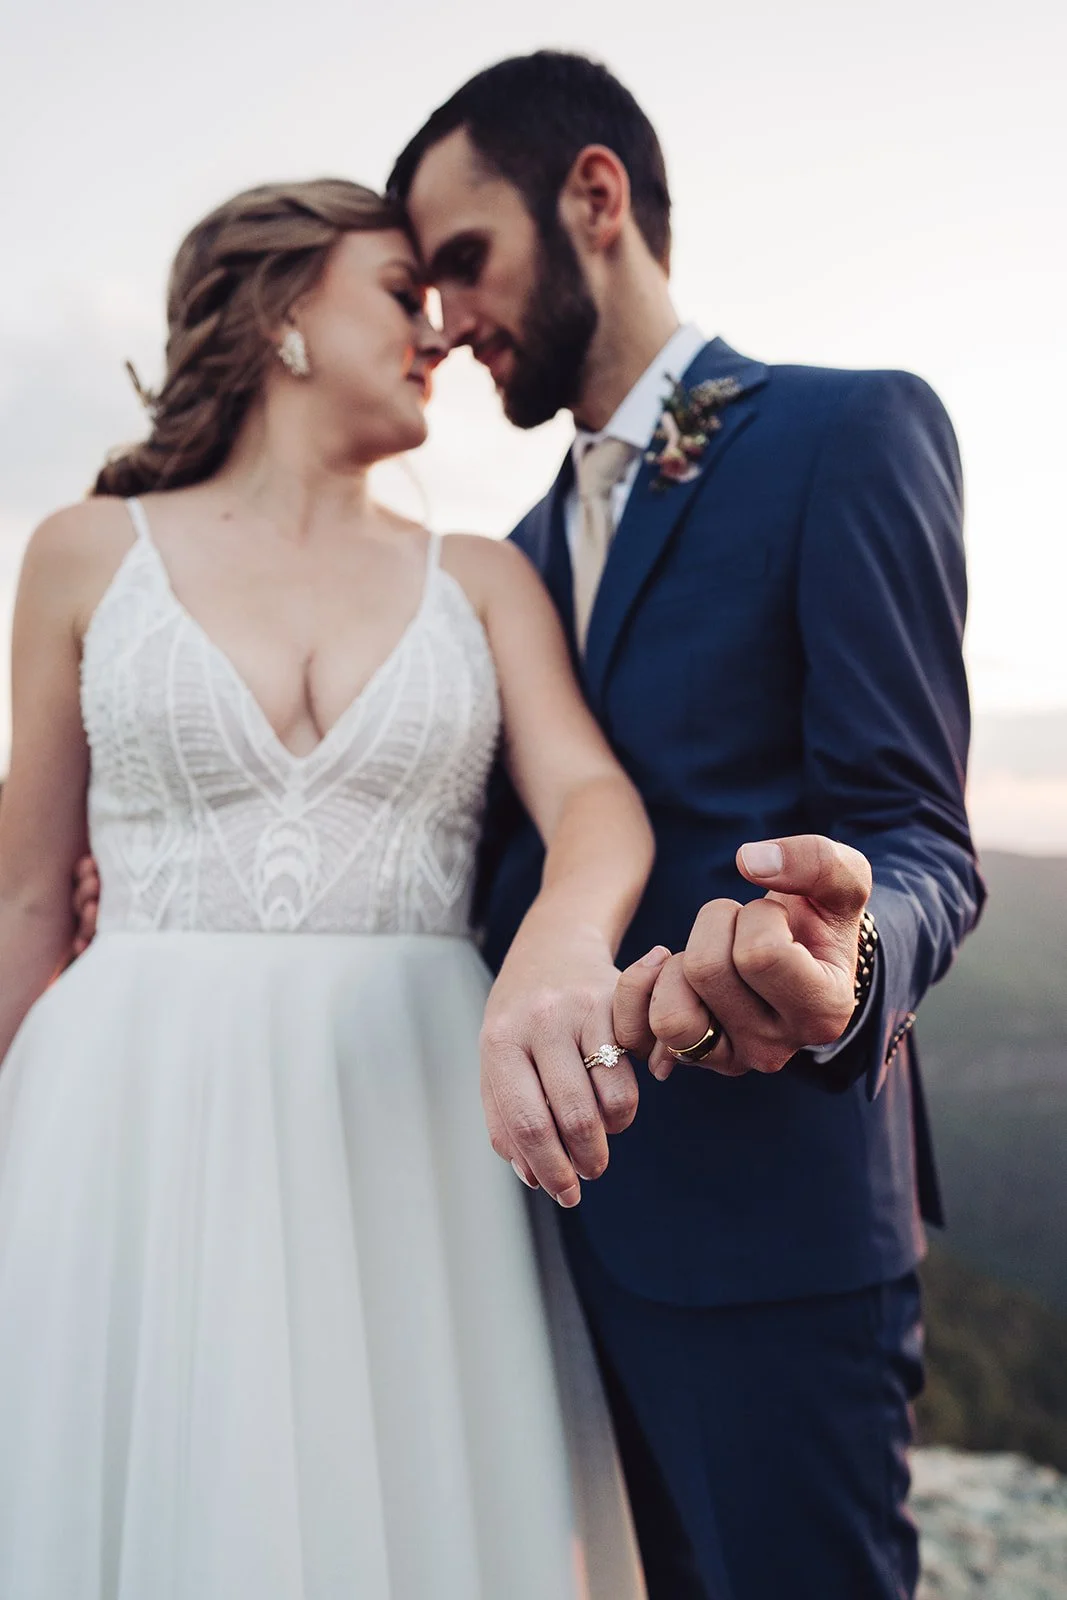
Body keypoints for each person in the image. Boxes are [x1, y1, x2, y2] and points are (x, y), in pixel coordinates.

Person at [383, 51, 986, 1600]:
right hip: (554, 1242)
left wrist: (847, 973)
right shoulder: (505, 564)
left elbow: (916, 839)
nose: (442, 322)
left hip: (771, 1235)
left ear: (592, 197)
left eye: (464, 259)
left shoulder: (844, 438)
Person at [0, 179, 655, 1598]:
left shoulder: (478, 578)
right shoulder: (79, 554)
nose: (436, 336)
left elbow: (594, 802)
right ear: (283, 309)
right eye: (396, 297)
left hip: (413, 1114)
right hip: (127, 1117)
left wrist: (558, 940)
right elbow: (24, 902)